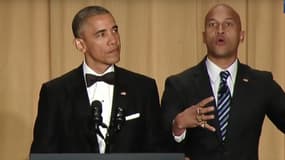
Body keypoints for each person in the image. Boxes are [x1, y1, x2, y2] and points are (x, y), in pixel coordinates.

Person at [30, 5, 164, 153]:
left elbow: (157, 148)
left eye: (115, 30)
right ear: (80, 45)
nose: (113, 40)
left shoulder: (144, 88)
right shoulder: (55, 92)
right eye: (101, 34)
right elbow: (43, 153)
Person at [161, 3, 285, 160]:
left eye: (228, 24)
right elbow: (160, 145)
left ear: (241, 35)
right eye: (213, 24)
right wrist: (178, 126)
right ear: (204, 36)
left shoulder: (261, 83)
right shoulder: (179, 85)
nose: (220, 30)